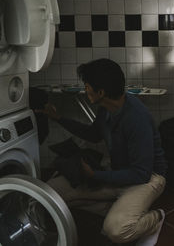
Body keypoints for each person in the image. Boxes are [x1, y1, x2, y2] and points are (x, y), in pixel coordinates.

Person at [38, 58, 167, 245]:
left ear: (101, 92)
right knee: (53, 195)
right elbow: (93, 134)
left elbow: (141, 173)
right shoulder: (106, 109)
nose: (85, 89)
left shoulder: (136, 118)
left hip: (148, 177)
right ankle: (117, 208)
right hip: (118, 171)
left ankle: (155, 218)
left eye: (87, 85)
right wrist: (58, 118)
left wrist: (95, 175)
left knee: (116, 230)